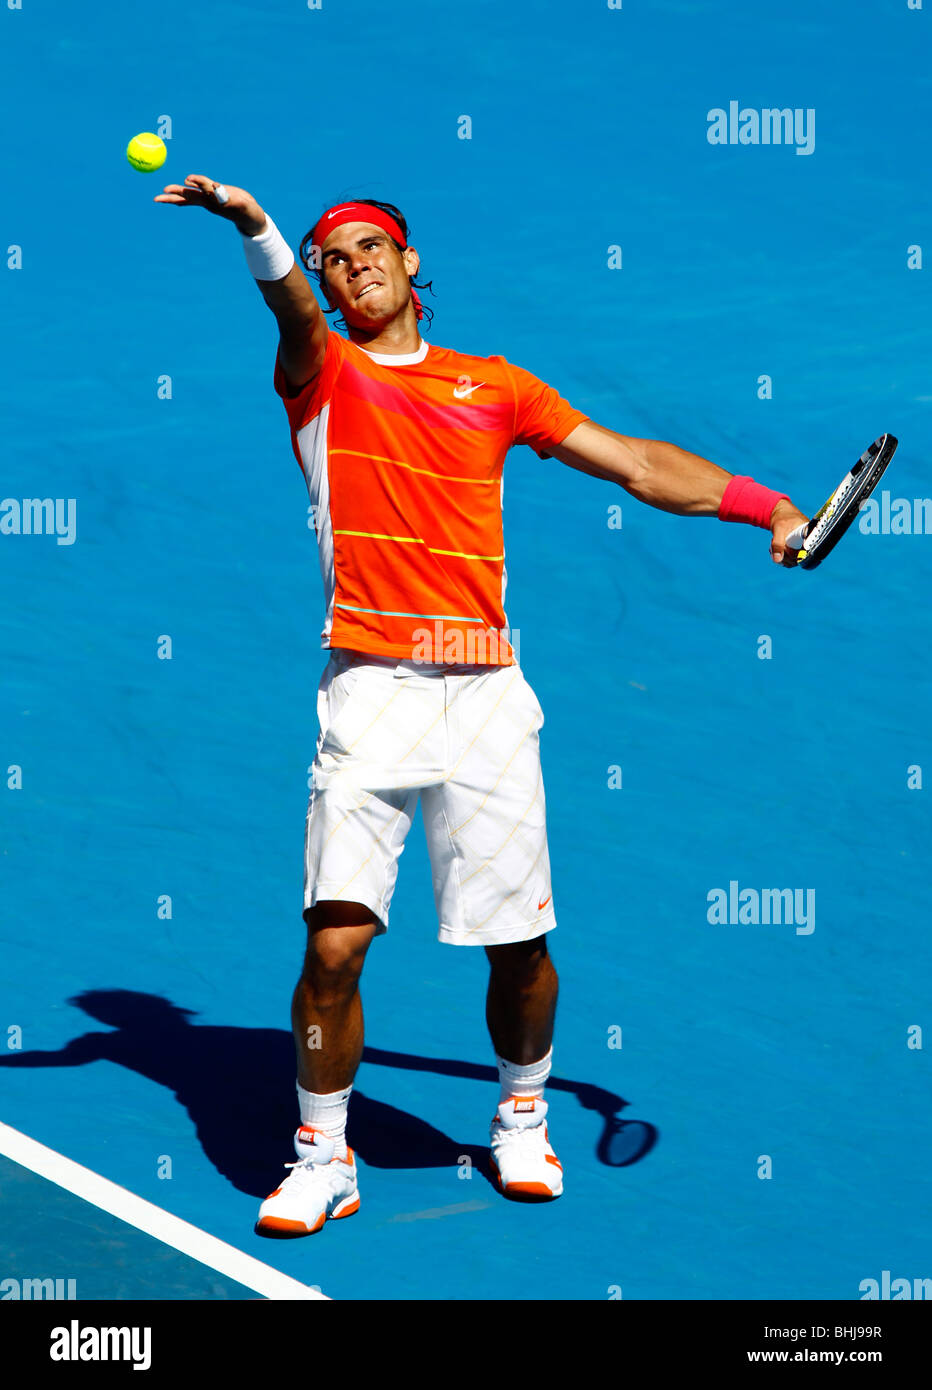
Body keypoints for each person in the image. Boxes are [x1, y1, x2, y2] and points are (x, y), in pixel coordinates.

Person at [155, 175, 808, 1235]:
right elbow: (283, 304)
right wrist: (254, 226)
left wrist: (766, 506)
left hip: (488, 699)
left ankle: (519, 1114)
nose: (351, 264)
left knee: (518, 949)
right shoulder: (320, 374)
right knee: (332, 947)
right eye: (332, 256)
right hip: (368, 691)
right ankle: (322, 1154)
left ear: (411, 265)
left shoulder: (496, 386)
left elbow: (637, 463)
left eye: (371, 247)